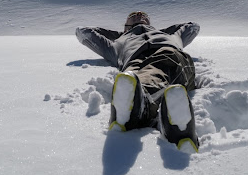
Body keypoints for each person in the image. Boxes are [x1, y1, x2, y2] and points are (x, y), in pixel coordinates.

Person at [76, 11, 200, 153]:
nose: (139, 15)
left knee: (156, 72)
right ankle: (172, 126)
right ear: (126, 24)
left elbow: (193, 27)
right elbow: (82, 32)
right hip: (133, 64)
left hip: (169, 55)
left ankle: (140, 109)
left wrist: (158, 31)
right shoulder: (116, 44)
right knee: (132, 79)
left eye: (144, 15)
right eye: (133, 14)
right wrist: (123, 34)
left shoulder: (171, 36)